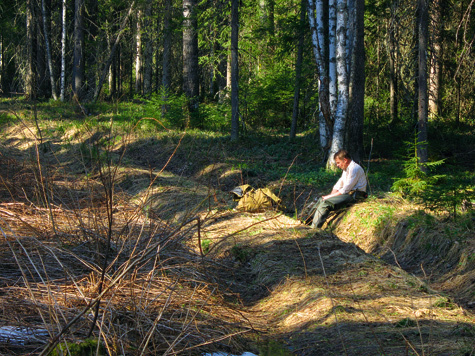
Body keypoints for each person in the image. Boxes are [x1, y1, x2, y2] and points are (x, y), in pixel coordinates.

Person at [311, 149, 367, 229]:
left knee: (325, 203)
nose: (337, 165)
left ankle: (314, 229)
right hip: (348, 194)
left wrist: (329, 197)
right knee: (321, 200)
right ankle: (307, 222)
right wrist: (330, 195)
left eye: (338, 162)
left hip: (355, 195)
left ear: (345, 160)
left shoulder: (355, 169)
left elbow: (346, 189)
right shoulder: (346, 169)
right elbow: (338, 185)